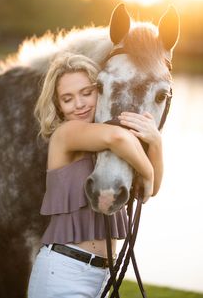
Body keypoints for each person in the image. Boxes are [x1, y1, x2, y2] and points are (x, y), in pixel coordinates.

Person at [27, 53, 163, 298]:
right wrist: (148, 171)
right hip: (63, 271)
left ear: (100, 90)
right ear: (58, 106)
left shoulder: (110, 154)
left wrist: (156, 143)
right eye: (67, 99)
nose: (79, 104)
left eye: (86, 93)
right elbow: (117, 136)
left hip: (101, 276)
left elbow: (149, 191)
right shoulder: (67, 133)